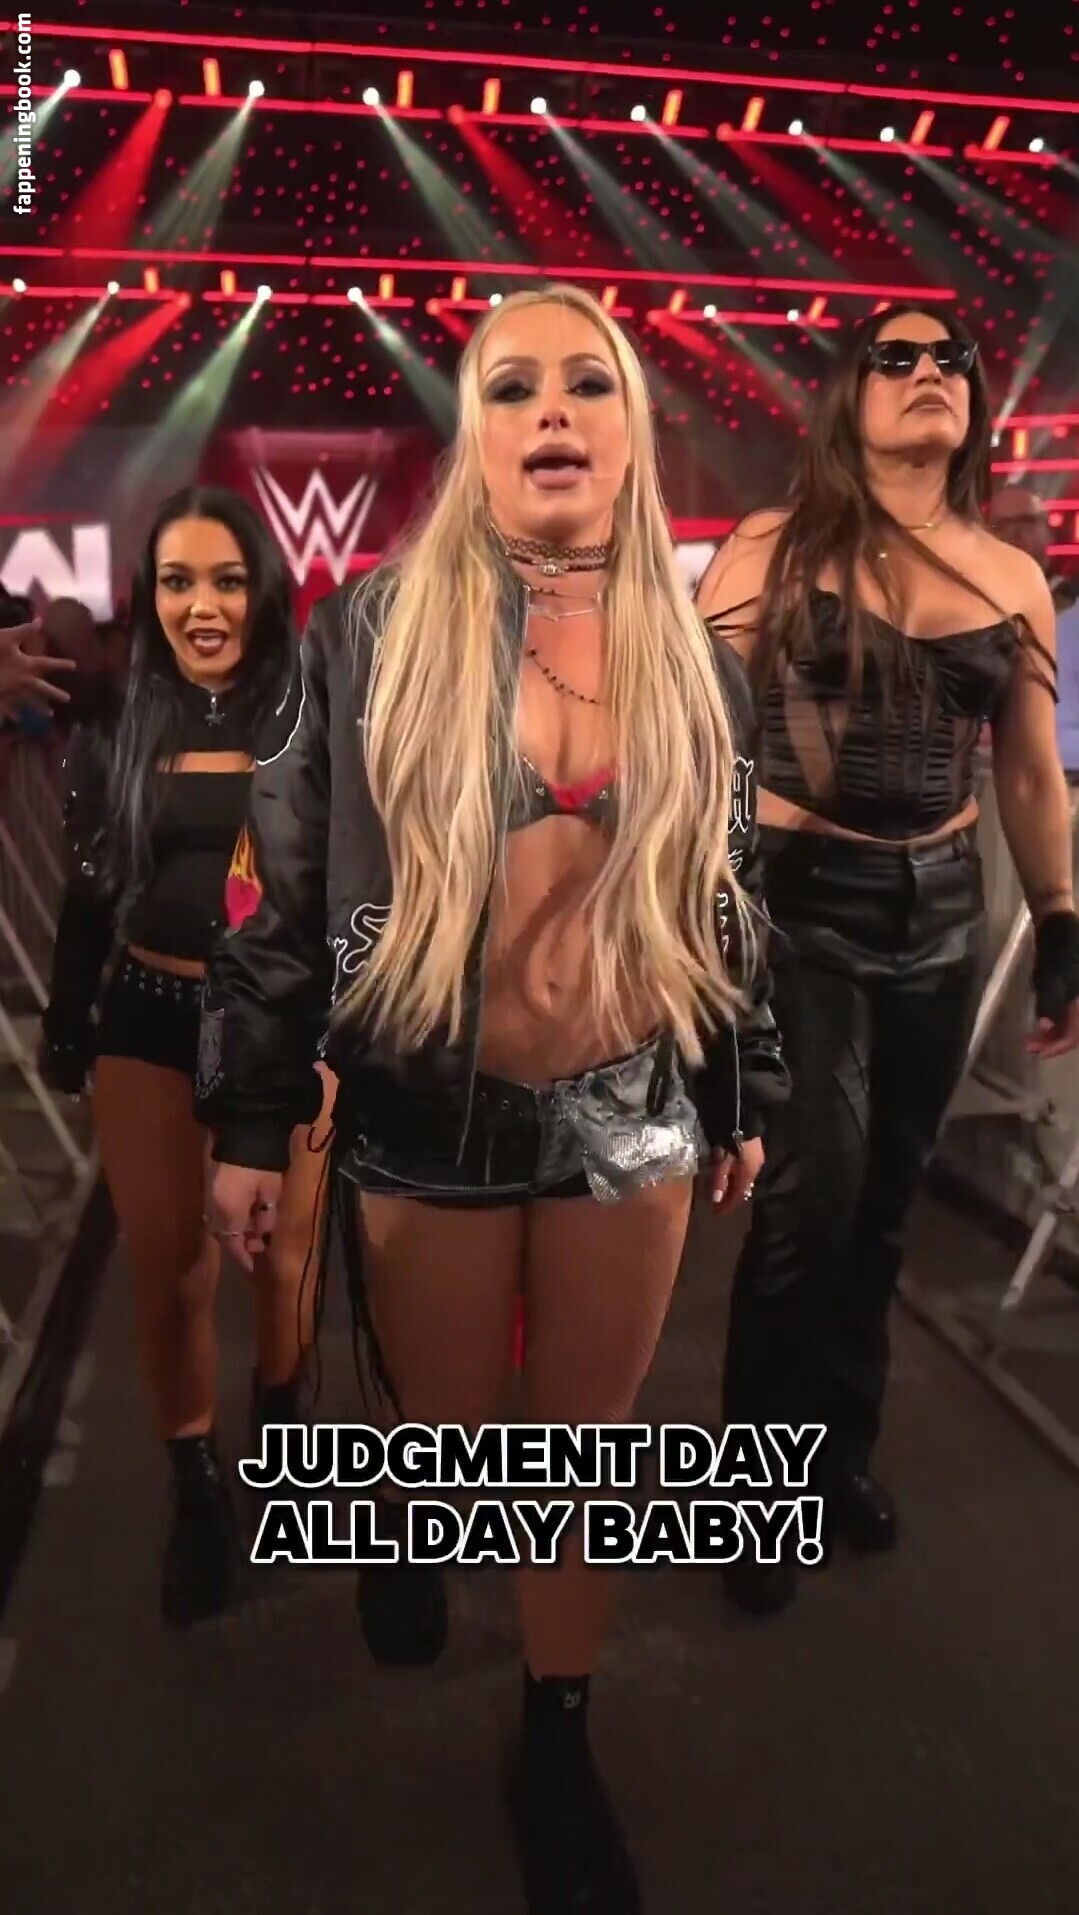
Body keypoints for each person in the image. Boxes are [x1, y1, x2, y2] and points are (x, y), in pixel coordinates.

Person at [198, 284, 789, 1915]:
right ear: (473, 431)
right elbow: (275, 880)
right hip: (425, 1113)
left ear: (629, 433)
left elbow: (731, 899)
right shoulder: (372, 633)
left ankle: (556, 1730)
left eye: (585, 384)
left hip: (626, 1119)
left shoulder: (696, 664)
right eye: (512, 384)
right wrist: (250, 1120)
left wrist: (742, 1083)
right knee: (450, 1428)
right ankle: (409, 1510)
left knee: (578, 1455)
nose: (550, 412)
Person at [697, 305, 1079, 1619]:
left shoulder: (1009, 577)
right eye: (895, 358)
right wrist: (697, 917)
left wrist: (1058, 916)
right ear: (843, 397)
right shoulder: (767, 550)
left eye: (950, 360)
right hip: (799, 903)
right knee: (805, 1202)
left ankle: (834, 1457)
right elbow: (695, 748)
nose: (929, 374)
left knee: (883, 1206)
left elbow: (1024, 772)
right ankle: (750, 1489)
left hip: (940, 909)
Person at [40, 484, 332, 1629]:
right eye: (175, 581)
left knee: (284, 1261)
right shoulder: (120, 718)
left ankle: (283, 1433)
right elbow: (90, 884)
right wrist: (68, 1020)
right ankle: (196, 1495)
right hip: (149, 1018)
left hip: (284, 1024)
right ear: (147, 593)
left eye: (224, 579)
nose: (200, 605)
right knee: (167, 1272)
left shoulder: (312, 708)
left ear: (262, 587)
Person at [988, 483, 1077, 612]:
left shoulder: (1073, 606)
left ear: (1049, 531)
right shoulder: (970, 605)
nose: (1014, 533)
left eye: (1026, 521)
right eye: (1001, 526)